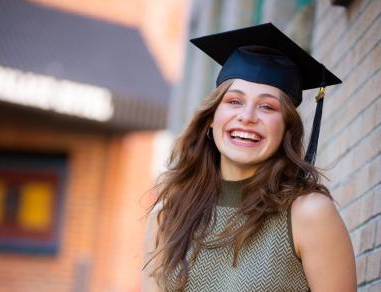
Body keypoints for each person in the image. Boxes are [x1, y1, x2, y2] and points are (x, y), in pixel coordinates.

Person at [141, 23, 357, 292]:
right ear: (211, 118)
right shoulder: (170, 212)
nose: (247, 116)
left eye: (267, 106)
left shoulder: (307, 213)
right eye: (234, 101)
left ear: (287, 129)